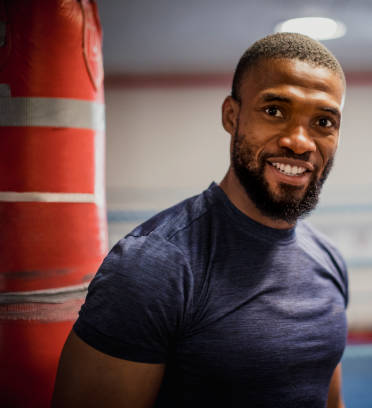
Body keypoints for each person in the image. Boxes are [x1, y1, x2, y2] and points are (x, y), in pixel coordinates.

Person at [52, 32, 348, 408]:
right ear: (231, 116)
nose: (300, 141)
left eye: (324, 121)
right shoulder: (154, 267)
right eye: (274, 111)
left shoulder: (328, 259)